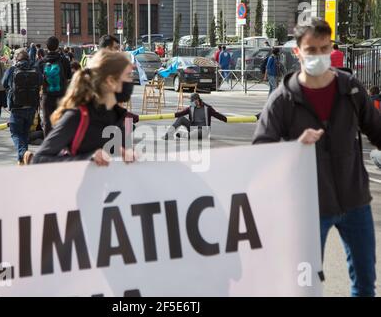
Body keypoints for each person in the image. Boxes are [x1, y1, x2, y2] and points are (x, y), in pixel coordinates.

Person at [253, 18, 380, 297]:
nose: (319, 56)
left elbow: (377, 130)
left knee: (365, 284)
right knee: (304, 288)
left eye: (325, 48)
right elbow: (260, 154)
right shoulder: (282, 100)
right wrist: (295, 146)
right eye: (312, 50)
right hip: (308, 210)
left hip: (355, 202)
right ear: (297, 52)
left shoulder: (352, 89)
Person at [30, 49, 137, 166]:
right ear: (111, 81)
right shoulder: (77, 116)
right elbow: (39, 159)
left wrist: (130, 157)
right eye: (128, 75)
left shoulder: (120, 117)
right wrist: (88, 159)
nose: (131, 81)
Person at [2, 49, 42, 165]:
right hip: (31, 107)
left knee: (15, 133)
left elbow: (4, 83)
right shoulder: (35, 69)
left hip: (17, 107)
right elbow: (41, 81)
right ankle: (22, 160)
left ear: (16, 59)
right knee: (24, 133)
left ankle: (23, 153)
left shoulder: (12, 69)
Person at [37, 36, 72, 137]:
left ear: (46, 47)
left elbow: (38, 79)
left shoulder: (41, 62)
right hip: (61, 95)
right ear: (58, 46)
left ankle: (48, 146)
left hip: (46, 96)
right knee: (62, 121)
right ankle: (61, 145)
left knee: (47, 122)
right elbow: (69, 76)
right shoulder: (64, 60)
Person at [162, 93, 227, 140]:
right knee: (181, 118)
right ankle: (168, 134)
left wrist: (226, 119)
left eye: (192, 101)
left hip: (203, 130)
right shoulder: (191, 108)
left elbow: (217, 115)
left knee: (193, 134)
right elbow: (181, 113)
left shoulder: (207, 108)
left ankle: (182, 134)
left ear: (197, 100)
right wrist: (171, 115)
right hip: (193, 127)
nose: (191, 103)